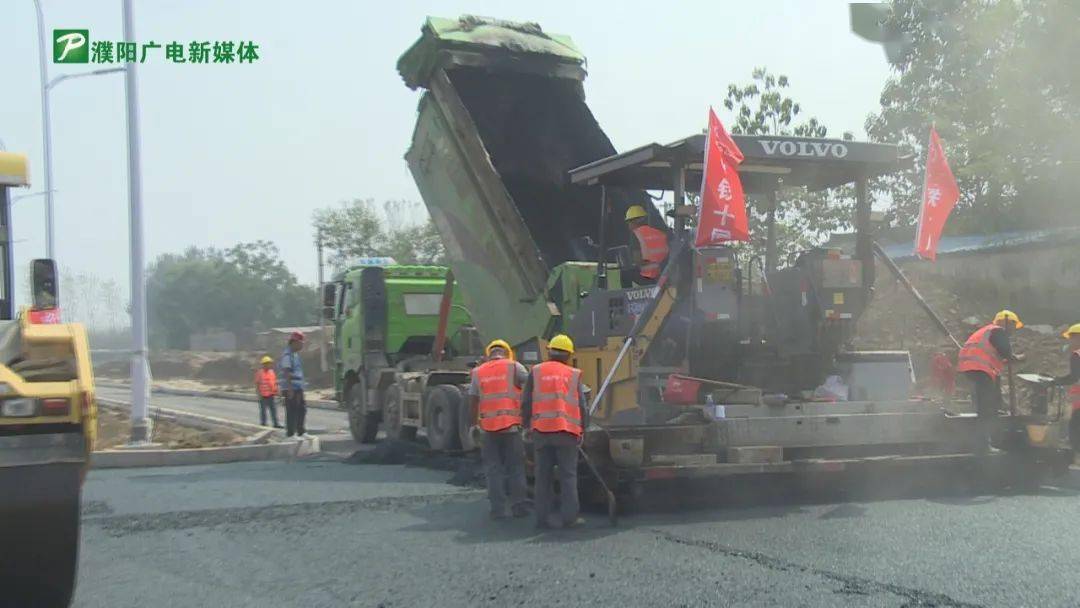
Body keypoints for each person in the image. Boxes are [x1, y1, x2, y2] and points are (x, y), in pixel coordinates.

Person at [521, 334, 589, 529]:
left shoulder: (536, 371)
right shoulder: (574, 374)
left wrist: (526, 425)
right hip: (567, 432)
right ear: (568, 355)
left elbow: (526, 401)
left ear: (549, 351)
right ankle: (570, 518)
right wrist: (583, 429)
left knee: (542, 476)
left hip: (541, 432)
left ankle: (541, 518)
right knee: (568, 476)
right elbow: (582, 405)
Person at [469, 339, 530, 520]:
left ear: (489, 354)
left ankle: (497, 510)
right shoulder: (515, 367)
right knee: (516, 468)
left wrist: (473, 425)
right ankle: (518, 507)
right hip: (511, 427)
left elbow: (473, 400)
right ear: (506, 352)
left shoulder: (478, 372)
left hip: (488, 429)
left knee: (493, 469)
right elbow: (532, 387)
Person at [956, 310, 1025, 454]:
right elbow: (1006, 352)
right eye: (1013, 326)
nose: (1013, 330)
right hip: (980, 368)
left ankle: (983, 440)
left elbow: (997, 356)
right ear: (1007, 322)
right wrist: (1018, 357)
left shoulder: (987, 331)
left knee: (986, 403)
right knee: (986, 407)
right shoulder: (999, 331)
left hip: (971, 367)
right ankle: (983, 444)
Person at [624, 205, 669, 285]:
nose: (628, 225)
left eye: (629, 222)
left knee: (625, 272)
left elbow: (638, 261)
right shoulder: (660, 233)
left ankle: (627, 296)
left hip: (647, 276)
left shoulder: (636, 235)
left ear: (635, 221)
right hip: (662, 275)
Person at [1052, 324, 1080, 453]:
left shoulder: (1077, 355)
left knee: (1075, 427)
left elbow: (1074, 377)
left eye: (1071, 338)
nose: (1070, 341)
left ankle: (1076, 455)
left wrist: (1056, 381)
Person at [279, 331, 309, 439]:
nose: (302, 345)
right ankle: (290, 433)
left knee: (302, 409)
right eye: (301, 343)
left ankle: (301, 431)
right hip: (291, 387)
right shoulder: (288, 355)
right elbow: (287, 371)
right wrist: (290, 389)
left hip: (298, 387)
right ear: (294, 342)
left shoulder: (295, 355)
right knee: (292, 410)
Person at [254, 355, 283, 428]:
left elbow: (274, 383)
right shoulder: (260, 373)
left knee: (273, 410)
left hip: (271, 395)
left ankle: (276, 424)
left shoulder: (272, 372)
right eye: (267, 363)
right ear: (263, 364)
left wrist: (277, 392)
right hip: (263, 395)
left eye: (269, 363)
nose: (269, 365)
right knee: (263, 411)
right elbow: (257, 384)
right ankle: (263, 424)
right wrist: (258, 394)